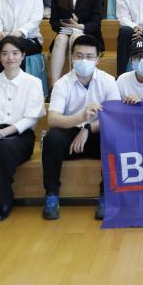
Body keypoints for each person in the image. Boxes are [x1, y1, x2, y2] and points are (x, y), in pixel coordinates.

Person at [42, 35, 120, 221]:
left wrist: (87, 127)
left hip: (95, 133)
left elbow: (114, 118)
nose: (84, 60)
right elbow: (53, 119)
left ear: (98, 59)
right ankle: (52, 195)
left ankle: (106, 195)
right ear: (72, 57)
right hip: (69, 136)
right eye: (79, 56)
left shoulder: (108, 81)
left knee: (115, 137)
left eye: (89, 56)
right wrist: (80, 118)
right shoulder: (62, 84)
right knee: (52, 138)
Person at [0, 36, 45, 222]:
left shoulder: (33, 82)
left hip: (20, 136)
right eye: (5, 53)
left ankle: (4, 200)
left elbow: (30, 118)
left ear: (23, 55)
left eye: (15, 53)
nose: (10, 57)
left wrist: (3, 133)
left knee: (3, 149)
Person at [49, 0, 103, 83]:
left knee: (76, 36)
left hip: (89, 35)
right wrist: (68, 27)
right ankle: (55, 85)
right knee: (61, 38)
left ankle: (74, 83)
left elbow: (96, 23)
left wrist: (79, 27)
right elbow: (53, 22)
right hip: (65, 33)